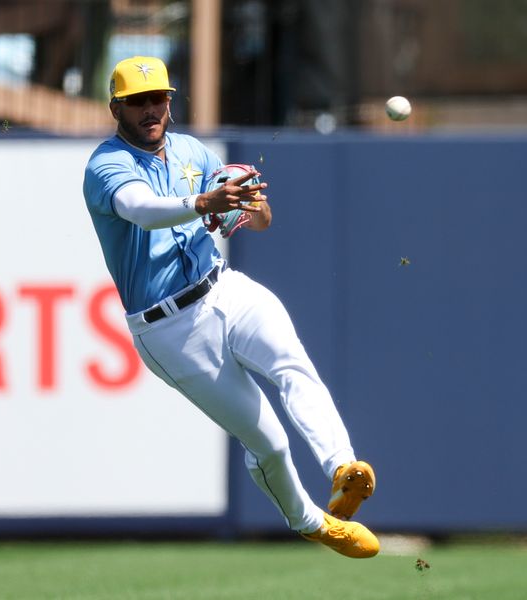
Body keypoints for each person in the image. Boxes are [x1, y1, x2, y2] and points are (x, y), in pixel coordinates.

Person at [83, 56, 379, 558]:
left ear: (170, 101)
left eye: (158, 98)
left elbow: (255, 217)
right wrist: (205, 204)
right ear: (116, 107)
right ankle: (311, 522)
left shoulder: (190, 150)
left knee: (292, 363)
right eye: (137, 102)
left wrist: (251, 203)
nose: (150, 109)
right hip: (169, 328)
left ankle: (342, 467)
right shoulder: (106, 164)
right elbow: (140, 209)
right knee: (267, 441)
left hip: (222, 286)